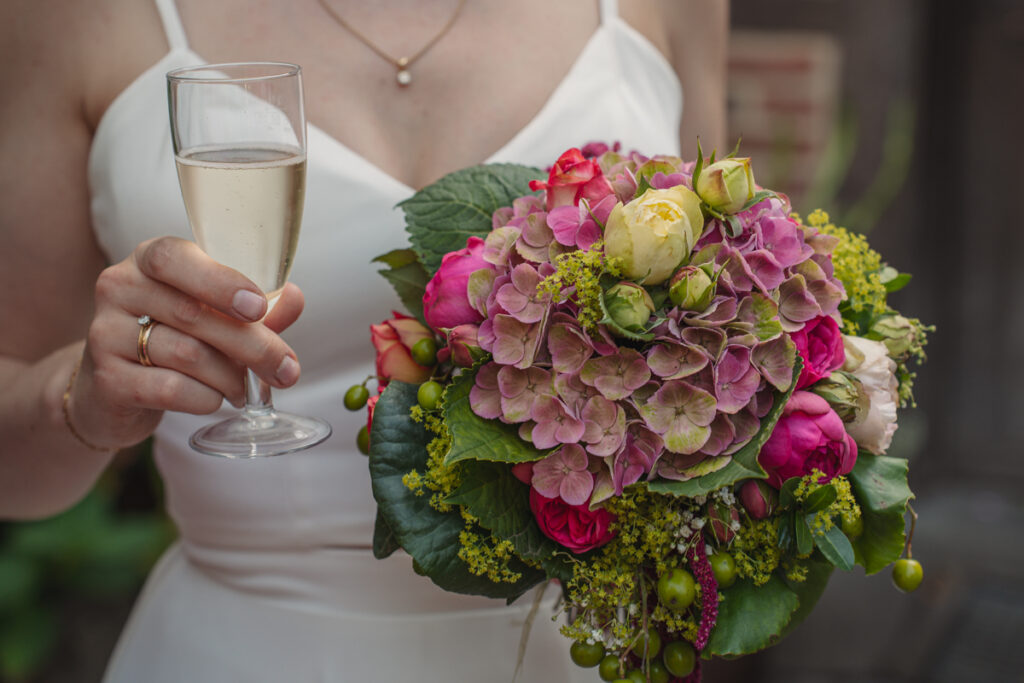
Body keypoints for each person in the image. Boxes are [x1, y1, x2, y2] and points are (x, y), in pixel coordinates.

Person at [0, 0, 728, 679]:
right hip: (241, 650)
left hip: (572, 651)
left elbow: (725, 315)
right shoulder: (73, 17)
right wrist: (81, 398)